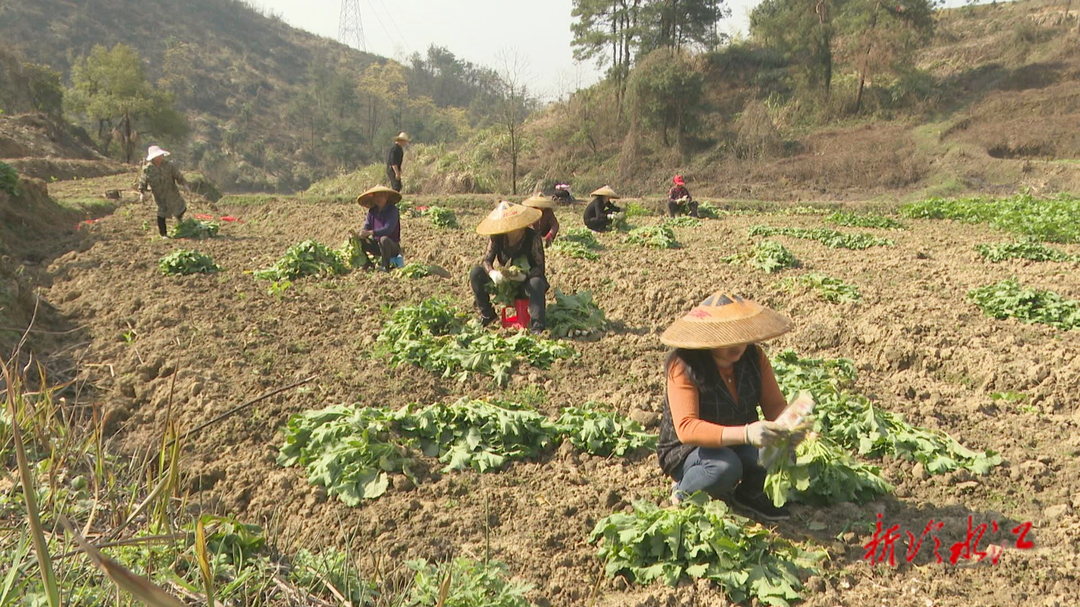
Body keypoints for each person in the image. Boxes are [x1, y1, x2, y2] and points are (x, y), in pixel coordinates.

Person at [656, 291, 798, 521]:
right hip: (689, 450)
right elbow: (687, 428)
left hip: (740, 441)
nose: (737, 345)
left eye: (741, 336)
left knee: (781, 452)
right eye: (727, 337)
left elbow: (774, 405)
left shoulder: (754, 357)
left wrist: (793, 424)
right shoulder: (684, 365)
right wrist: (745, 432)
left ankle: (749, 494)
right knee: (724, 468)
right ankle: (684, 491)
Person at [469, 201, 547, 333]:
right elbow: (486, 260)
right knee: (476, 273)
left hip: (526, 283)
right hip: (505, 284)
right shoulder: (497, 237)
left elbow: (540, 268)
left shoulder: (532, 237)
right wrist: (493, 273)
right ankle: (488, 315)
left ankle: (537, 325)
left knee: (537, 283)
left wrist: (524, 276)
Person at [137, 145, 187, 237]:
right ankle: (163, 234)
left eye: (161, 155)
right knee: (161, 213)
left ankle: (179, 220)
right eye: (158, 156)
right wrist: (142, 192)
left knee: (180, 207)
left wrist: (184, 184)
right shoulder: (147, 169)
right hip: (159, 195)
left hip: (171, 193)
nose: (161, 157)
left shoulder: (169, 166)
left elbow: (177, 175)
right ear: (154, 157)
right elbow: (143, 181)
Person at [355, 185, 402, 272]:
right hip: (377, 245)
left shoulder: (393, 210)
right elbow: (367, 226)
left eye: (381, 195)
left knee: (383, 239)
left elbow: (388, 229)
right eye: (376, 196)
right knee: (357, 239)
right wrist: (362, 232)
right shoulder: (372, 211)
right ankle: (367, 263)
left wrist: (371, 233)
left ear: (386, 196)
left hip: (391, 246)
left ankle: (385, 266)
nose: (378, 198)